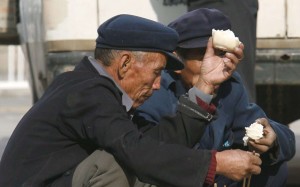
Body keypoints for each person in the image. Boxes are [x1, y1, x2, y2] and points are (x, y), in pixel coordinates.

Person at [0, 14, 260, 187]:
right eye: (156, 72)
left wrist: (205, 86)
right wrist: (216, 164)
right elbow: (137, 153)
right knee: (119, 166)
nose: (158, 85)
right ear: (125, 64)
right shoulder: (88, 93)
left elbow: (153, 143)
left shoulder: (92, 88)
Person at [133, 8, 295, 187]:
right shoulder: (156, 90)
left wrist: (270, 140)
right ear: (177, 62)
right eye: (203, 56)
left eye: (221, 54)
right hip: (178, 177)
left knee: (274, 169)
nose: (216, 65)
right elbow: (149, 156)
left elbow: (272, 131)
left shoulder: (229, 85)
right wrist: (215, 164)